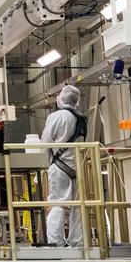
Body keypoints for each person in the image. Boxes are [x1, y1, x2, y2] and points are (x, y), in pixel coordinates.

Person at [42, 85, 86, 247]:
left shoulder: (56, 116)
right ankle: (78, 242)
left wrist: (46, 162)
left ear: (62, 98)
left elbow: (45, 142)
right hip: (77, 167)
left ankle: (56, 242)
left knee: (58, 204)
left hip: (59, 167)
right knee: (77, 205)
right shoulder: (81, 118)